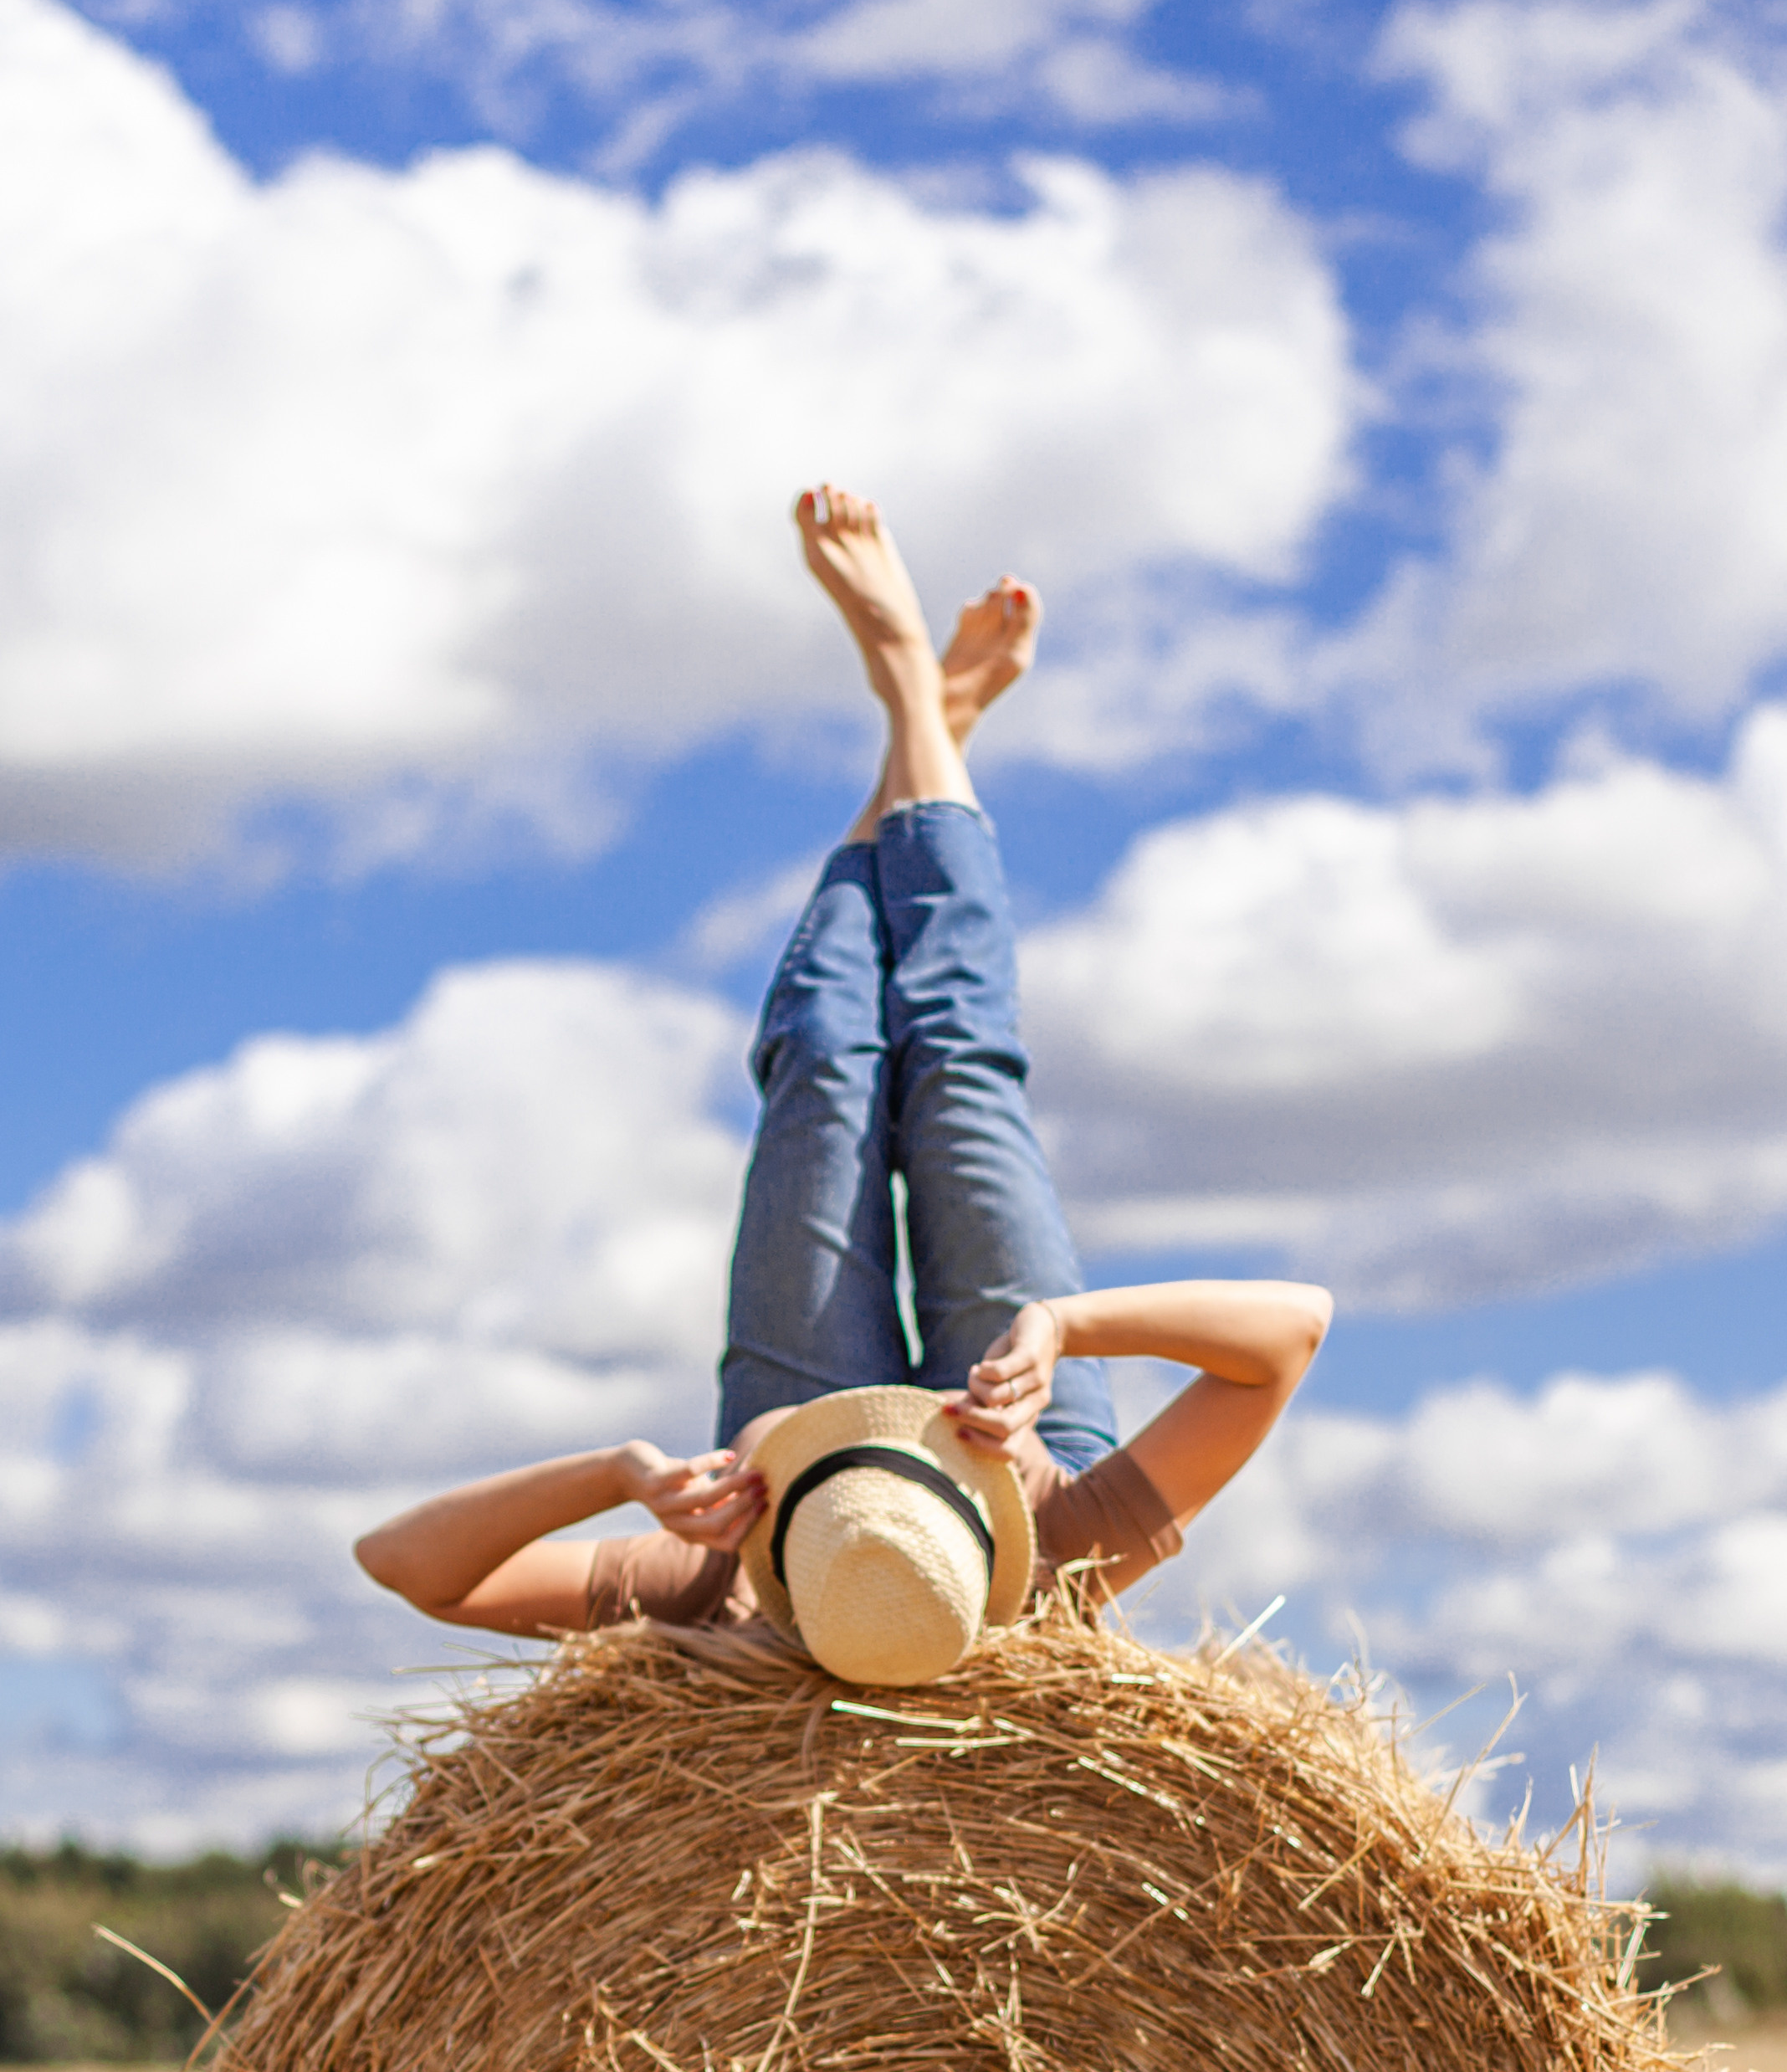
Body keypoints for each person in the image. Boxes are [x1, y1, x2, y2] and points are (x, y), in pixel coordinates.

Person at [356, 488, 1332, 1685]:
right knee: (956, 1067)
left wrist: (616, 1475)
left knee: (823, 1061)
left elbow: (406, 1566)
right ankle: (920, 695)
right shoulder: (1064, 1558)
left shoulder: (735, 1577)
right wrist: (1064, 1326)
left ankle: (927, 708)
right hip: (1014, 1421)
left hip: (782, 1444)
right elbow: (1292, 1330)